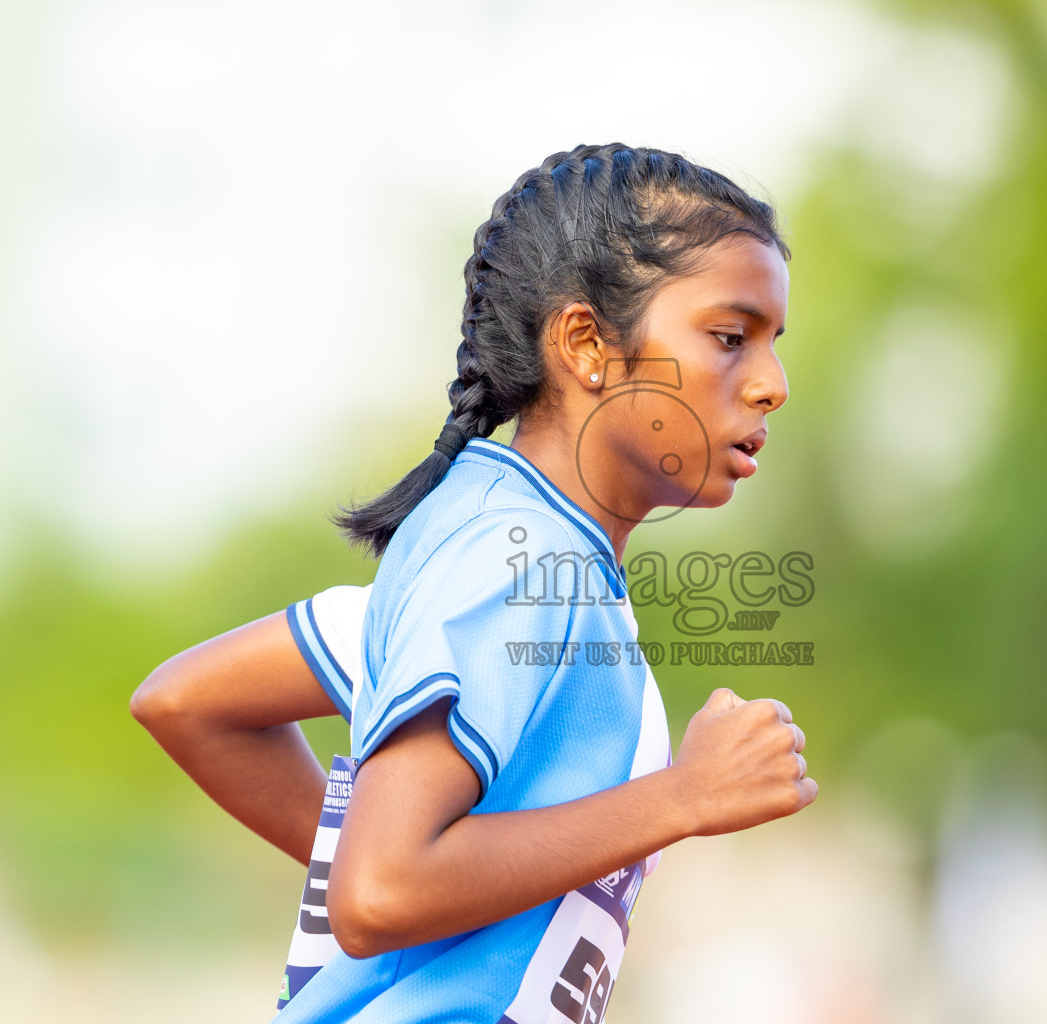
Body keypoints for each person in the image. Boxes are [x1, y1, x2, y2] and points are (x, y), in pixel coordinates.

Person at [131, 143, 815, 1023]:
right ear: (584, 344)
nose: (772, 385)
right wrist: (681, 797)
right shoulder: (510, 559)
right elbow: (380, 893)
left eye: (772, 343)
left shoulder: (506, 554)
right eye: (730, 336)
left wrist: (459, 900)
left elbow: (187, 702)